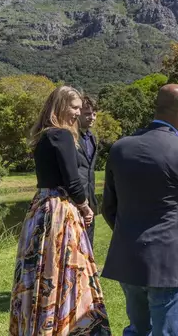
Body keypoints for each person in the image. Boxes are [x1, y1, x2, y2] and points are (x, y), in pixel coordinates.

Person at [102, 84, 178, 336]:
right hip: (169, 265)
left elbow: (108, 207)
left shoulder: (120, 148)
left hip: (129, 259)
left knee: (137, 331)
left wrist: (132, 234)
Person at [9, 85, 111, 335]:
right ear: (61, 106)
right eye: (74, 107)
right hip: (59, 210)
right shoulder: (62, 135)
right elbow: (72, 180)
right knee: (65, 269)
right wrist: (85, 207)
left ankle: (40, 324)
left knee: (41, 268)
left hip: (40, 208)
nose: (78, 113)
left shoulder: (43, 135)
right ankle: (67, 326)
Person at [77, 94, 99, 247]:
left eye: (94, 113)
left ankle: (89, 271)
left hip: (90, 199)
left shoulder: (92, 138)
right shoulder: (70, 137)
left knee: (88, 242)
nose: (92, 117)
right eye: (87, 114)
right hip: (74, 199)